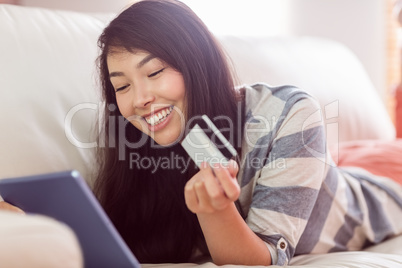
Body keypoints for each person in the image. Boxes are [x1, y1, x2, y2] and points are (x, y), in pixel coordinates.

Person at [2, 0, 402, 266]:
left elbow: (267, 259)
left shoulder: (289, 113)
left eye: (154, 72)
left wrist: (215, 211)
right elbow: (127, 244)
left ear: (196, 63)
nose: (139, 99)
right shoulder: (138, 143)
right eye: (122, 86)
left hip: (375, 199)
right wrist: (38, 225)